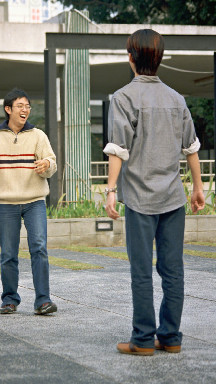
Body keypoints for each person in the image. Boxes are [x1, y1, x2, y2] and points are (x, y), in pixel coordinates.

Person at [104, 29, 205, 356]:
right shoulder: (177, 99)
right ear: (159, 58)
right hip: (173, 198)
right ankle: (171, 338)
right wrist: (199, 187)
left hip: (139, 200)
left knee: (141, 271)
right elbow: (191, 148)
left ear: (131, 57)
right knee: (173, 270)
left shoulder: (123, 98)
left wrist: (109, 191)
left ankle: (143, 341)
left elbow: (118, 150)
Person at [0, 88, 58, 316]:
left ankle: (43, 301)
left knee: (39, 248)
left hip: (35, 202)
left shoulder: (38, 136)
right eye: (20, 106)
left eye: (27, 106)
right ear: (8, 109)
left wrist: (47, 166)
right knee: (8, 253)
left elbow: (51, 161)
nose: (25, 110)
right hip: (7, 204)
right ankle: (9, 299)